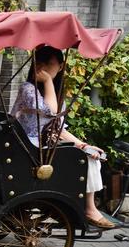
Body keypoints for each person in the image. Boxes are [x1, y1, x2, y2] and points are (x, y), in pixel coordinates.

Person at [10, 45, 114, 229]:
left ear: (60, 67)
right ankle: (89, 209)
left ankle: (87, 206)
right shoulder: (27, 89)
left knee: (90, 155)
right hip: (26, 147)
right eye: (41, 63)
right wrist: (49, 81)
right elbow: (50, 112)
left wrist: (83, 144)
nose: (44, 67)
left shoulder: (55, 96)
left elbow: (58, 129)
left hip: (42, 145)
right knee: (83, 160)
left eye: (50, 64)